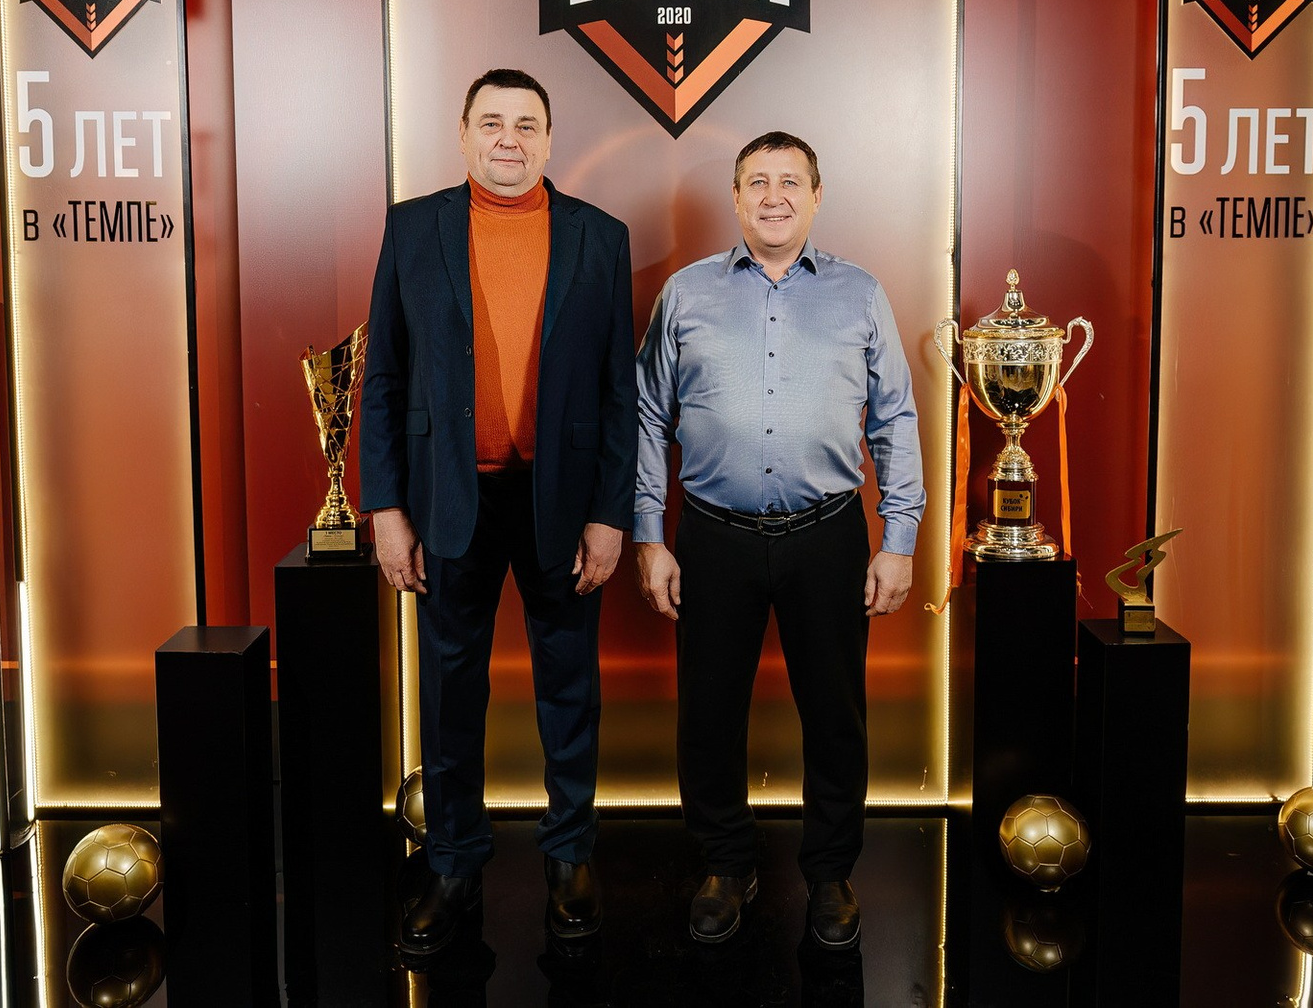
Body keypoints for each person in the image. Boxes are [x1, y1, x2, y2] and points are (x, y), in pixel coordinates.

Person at [360, 68, 636, 955]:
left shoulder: (601, 237)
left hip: (562, 503)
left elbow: (618, 393)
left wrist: (610, 514)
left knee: (569, 689)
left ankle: (570, 858)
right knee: (449, 697)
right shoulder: (413, 228)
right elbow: (384, 377)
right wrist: (385, 508)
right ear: (464, 135)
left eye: (526, 124)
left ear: (549, 140)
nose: (508, 138)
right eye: (491, 122)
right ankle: (452, 865)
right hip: (448, 499)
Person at [633, 131, 924, 948]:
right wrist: (650, 537)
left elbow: (896, 417)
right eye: (757, 182)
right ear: (735, 198)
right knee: (708, 715)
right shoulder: (685, 294)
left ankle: (830, 874)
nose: (773, 197)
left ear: (816, 197)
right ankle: (726, 864)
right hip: (712, 537)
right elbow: (648, 415)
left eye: (790, 182)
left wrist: (899, 538)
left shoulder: (860, 294)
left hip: (827, 534)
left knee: (835, 716)